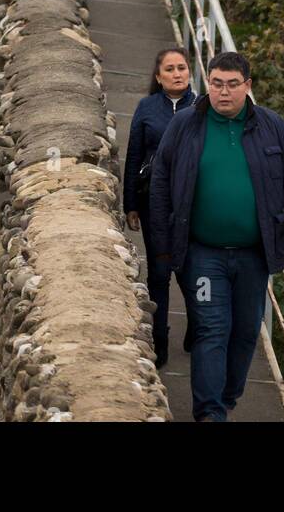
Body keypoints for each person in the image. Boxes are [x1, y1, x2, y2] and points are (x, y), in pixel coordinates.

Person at [150, 50, 284, 423]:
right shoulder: (186, 125)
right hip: (203, 254)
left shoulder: (272, 126)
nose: (223, 92)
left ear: (247, 86)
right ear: (208, 83)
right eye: (216, 83)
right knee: (211, 328)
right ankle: (209, 413)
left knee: (244, 333)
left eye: (232, 85)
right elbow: (160, 184)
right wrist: (161, 244)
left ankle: (225, 398)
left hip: (254, 254)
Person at [124, 49, 197, 369]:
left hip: (193, 205)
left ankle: (197, 326)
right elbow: (134, 156)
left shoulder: (202, 109)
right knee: (159, 273)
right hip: (154, 202)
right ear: (158, 77)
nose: (177, 73)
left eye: (182, 67)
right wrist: (130, 205)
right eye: (170, 69)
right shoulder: (146, 108)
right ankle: (160, 340)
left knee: (190, 272)